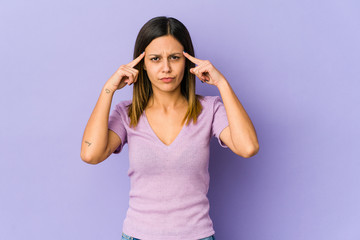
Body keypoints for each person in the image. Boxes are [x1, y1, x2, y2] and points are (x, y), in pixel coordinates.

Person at [80, 16, 259, 240]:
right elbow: (90, 154)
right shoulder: (128, 113)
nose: (166, 68)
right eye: (155, 59)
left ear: (187, 61)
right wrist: (108, 89)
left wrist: (222, 84)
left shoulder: (209, 110)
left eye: (174, 57)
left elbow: (248, 147)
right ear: (142, 64)